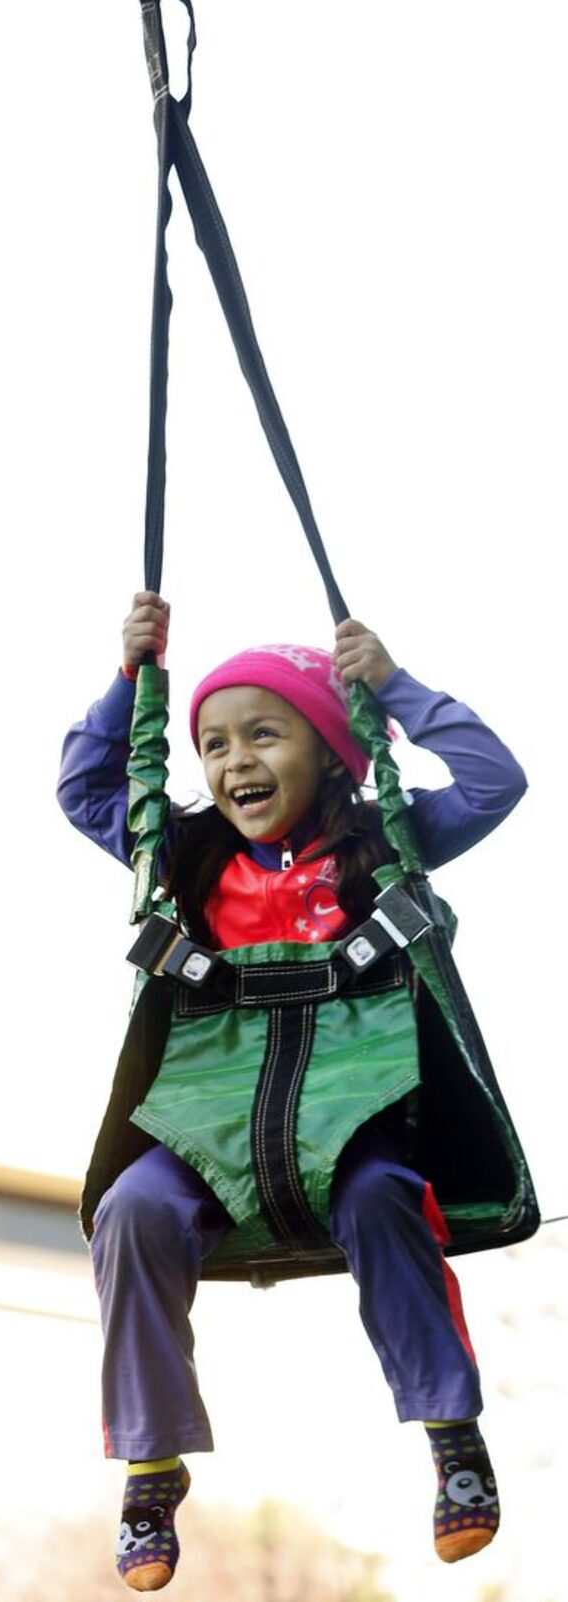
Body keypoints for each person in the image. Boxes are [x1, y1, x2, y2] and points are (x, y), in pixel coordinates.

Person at [57, 592, 528, 1592]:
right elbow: (84, 785)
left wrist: (391, 690)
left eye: (262, 735)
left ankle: (451, 1436)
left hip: (349, 1107)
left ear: (329, 751)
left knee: (377, 1198)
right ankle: (149, 1462)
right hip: (212, 1108)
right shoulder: (185, 860)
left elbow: (493, 779)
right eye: (213, 744)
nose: (233, 762)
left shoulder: (380, 846)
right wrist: (127, 683)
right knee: (132, 1208)